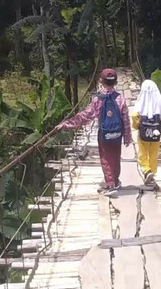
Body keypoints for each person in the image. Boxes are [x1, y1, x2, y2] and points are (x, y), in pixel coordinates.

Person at [57, 68, 132, 196]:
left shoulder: (98, 99)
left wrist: (66, 124)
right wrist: (127, 137)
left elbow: (85, 116)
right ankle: (115, 180)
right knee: (115, 157)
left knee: (106, 159)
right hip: (117, 134)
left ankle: (110, 185)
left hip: (104, 134)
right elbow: (125, 119)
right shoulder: (120, 99)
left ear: (101, 82)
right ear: (116, 82)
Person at [131, 80, 161, 185]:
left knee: (143, 153)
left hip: (143, 134)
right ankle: (152, 174)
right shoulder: (159, 102)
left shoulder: (141, 101)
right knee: (153, 155)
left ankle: (146, 170)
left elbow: (135, 115)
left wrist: (136, 126)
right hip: (155, 134)